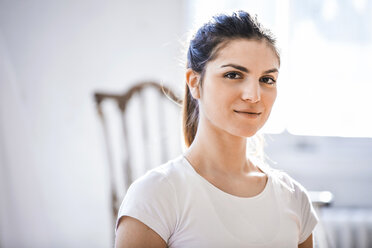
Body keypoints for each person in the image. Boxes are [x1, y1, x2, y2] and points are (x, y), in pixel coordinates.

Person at [115, 10, 318, 248]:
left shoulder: (294, 198)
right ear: (194, 83)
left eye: (267, 79)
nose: (254, 95)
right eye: (233, 75)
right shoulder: (155, 196)